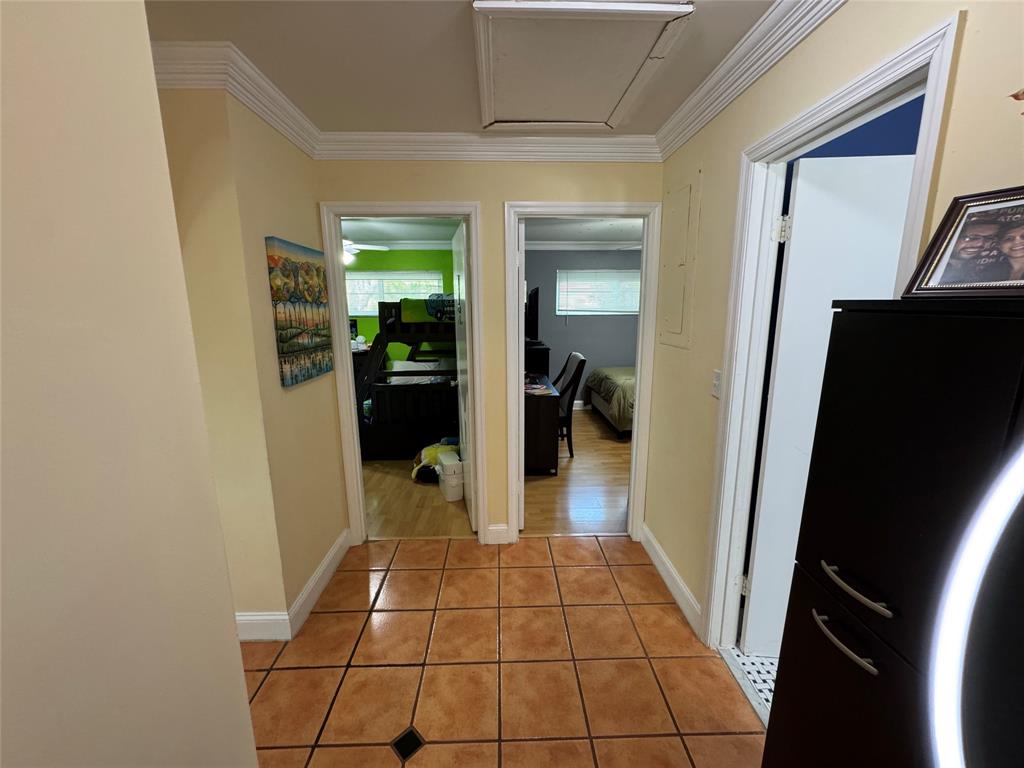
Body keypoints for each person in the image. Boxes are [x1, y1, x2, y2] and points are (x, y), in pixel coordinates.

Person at [936, 220, 1005, 284]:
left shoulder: (979, 270)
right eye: (971, 238)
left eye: (989, 238)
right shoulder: (935, 269)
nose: (980, 244)